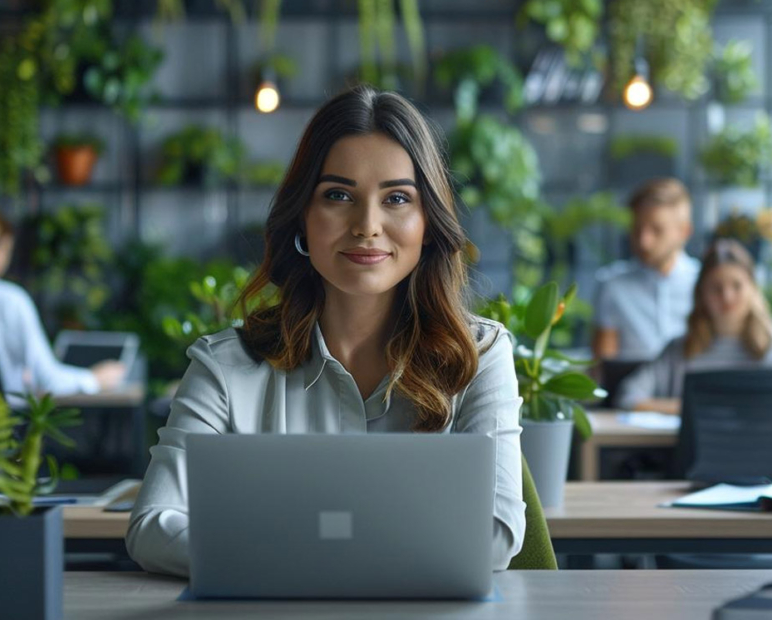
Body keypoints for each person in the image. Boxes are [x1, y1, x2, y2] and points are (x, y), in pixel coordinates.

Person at [126, 87, 525, 577]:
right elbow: (152, 525)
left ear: (428, 223)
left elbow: (497, 533)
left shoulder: (479, 357)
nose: (367, 225)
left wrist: (294, 555)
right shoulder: (225, 366)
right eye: (339, 195)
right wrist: (337, 558)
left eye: (397, 198)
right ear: (303, 217)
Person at [0, 206, 126, 396]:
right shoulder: (11, 300)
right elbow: (48, 379)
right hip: (5, 425)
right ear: (3, 245)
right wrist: (94, 379)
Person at [615, 238, 772, 412]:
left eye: (737, 286)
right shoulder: (680, 349)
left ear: (753, 289)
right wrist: (691, 409)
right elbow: (628, 396)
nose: (727, 297)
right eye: (716, 288)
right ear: (701, 294)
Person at [592, 178, 700, 362]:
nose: (644, 242)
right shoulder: (612, 285)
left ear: (684, 232)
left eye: (657, 230)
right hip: (629, 390)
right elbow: (603, 369)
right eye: (637, 229)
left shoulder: (705, 284)